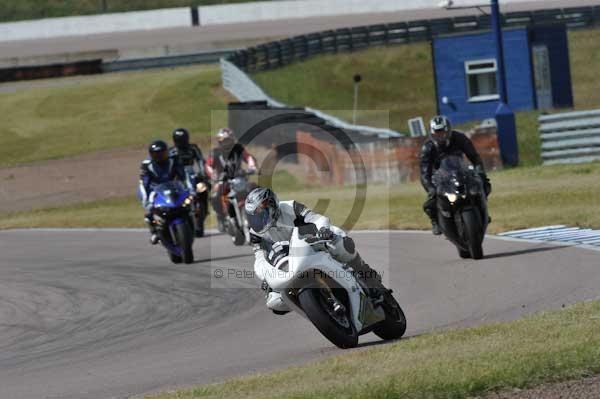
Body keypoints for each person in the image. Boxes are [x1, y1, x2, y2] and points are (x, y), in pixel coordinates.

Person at [244, 187, 391, 315]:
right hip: (287, 262)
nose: (258, 220)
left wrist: (323, 230)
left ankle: (371, 281)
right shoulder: (255, 233)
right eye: (254, 217)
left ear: (271, 206)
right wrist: (265, 276)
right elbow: (259, 258)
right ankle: (316, 307)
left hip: (313, 241)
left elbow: (317, 218)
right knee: (274, 301)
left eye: (261, 214)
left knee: (341, 246)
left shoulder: (290, 207)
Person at [420, 115, 491, 235]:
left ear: (448, 131)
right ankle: (435, 221)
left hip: (461, 172)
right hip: (439, 177)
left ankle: (483, 210)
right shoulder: (428, 148)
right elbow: (424, 173)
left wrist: (480, 173)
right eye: (437, 133)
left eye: (442, 132)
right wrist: (431, 188)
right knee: (429, 204)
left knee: (484, 185)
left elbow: (475, 157)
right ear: (432, 133)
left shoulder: (460, 138)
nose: (440, 136)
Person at [205, 128, 257, 231]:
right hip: (223, 180)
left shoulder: (238, 149)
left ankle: (260, 212)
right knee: (215, 196)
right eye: (224, 141)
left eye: (228, 140)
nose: (227, 143)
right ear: (220, 142)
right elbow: (208, 166)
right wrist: (214, 175)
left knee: (254, 188)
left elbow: (249, 158)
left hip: (240, 178)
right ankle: (221, 217)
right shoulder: (215, 153)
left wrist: (252, 167)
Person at [139, 140, 186, 244]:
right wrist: (146, 201)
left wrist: (188, 188)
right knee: (151, 207)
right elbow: (144, 184)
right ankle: (154, 230)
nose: (160, 156)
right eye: (156, 154)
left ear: (166, 152)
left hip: (173, 186)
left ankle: (191, 217)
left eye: (162, 153)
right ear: (151, 155)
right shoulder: (147, 165)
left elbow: (183, 176)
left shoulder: (173, 159)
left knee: (187, 200)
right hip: (155, 189)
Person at [169, 128, 210, 236]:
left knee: (203, 189)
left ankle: (204, 209)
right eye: (179, 140)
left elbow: (201, 160)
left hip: (194, 176)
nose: (182, 142)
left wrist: (202, 173)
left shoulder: (193, 148)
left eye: (183, 139)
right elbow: (169, 166)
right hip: (179, 180)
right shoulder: (172, 151)